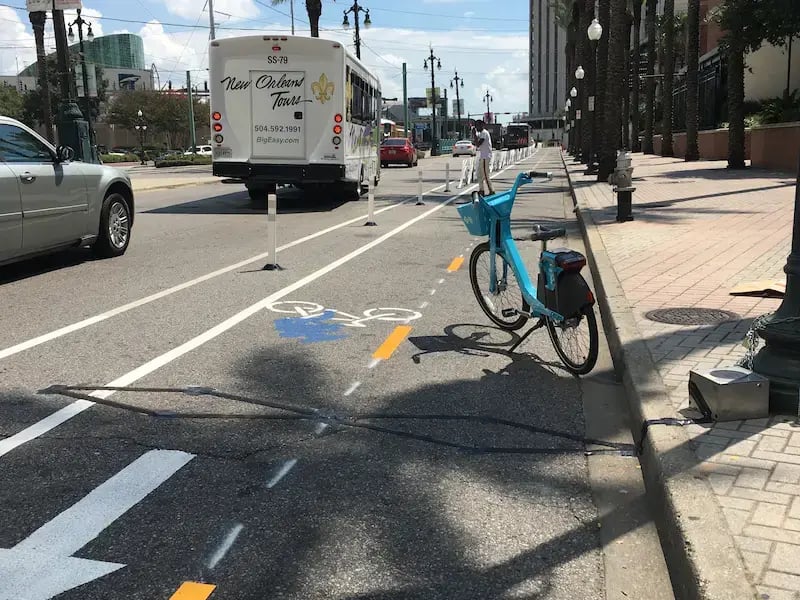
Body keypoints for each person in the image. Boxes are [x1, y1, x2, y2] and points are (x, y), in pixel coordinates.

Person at [473, 120, 494, 196]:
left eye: (477, 126)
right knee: (479, 174)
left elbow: (478, 144)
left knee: (485, 174)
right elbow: (476, 143)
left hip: (486, 156)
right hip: (483, 156)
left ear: (482, 125)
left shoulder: (484, 133)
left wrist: (474, 135)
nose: (476, 127)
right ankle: (481, 190)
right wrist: (475, 136)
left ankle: (491, 190)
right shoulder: (481, 133)